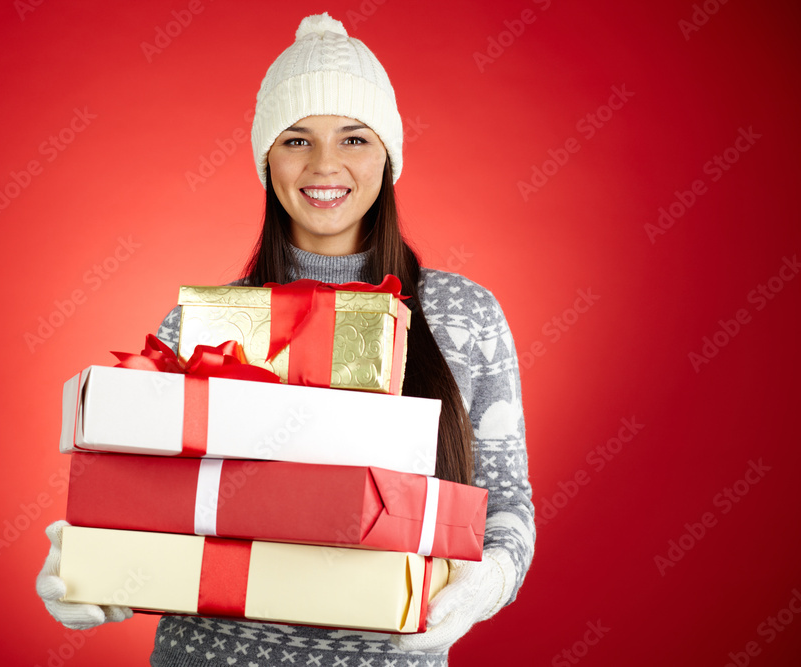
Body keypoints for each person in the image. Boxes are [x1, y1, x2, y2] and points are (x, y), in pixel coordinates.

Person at [37, 12, 534, 666]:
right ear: (265, 158)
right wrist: (90, 570)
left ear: (388, 155)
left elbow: (508, 508)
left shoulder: (463, 317)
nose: (325, 164)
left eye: (354, 138)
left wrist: (486, 582)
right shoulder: (204, 329)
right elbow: (148, 512)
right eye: (296, 140)